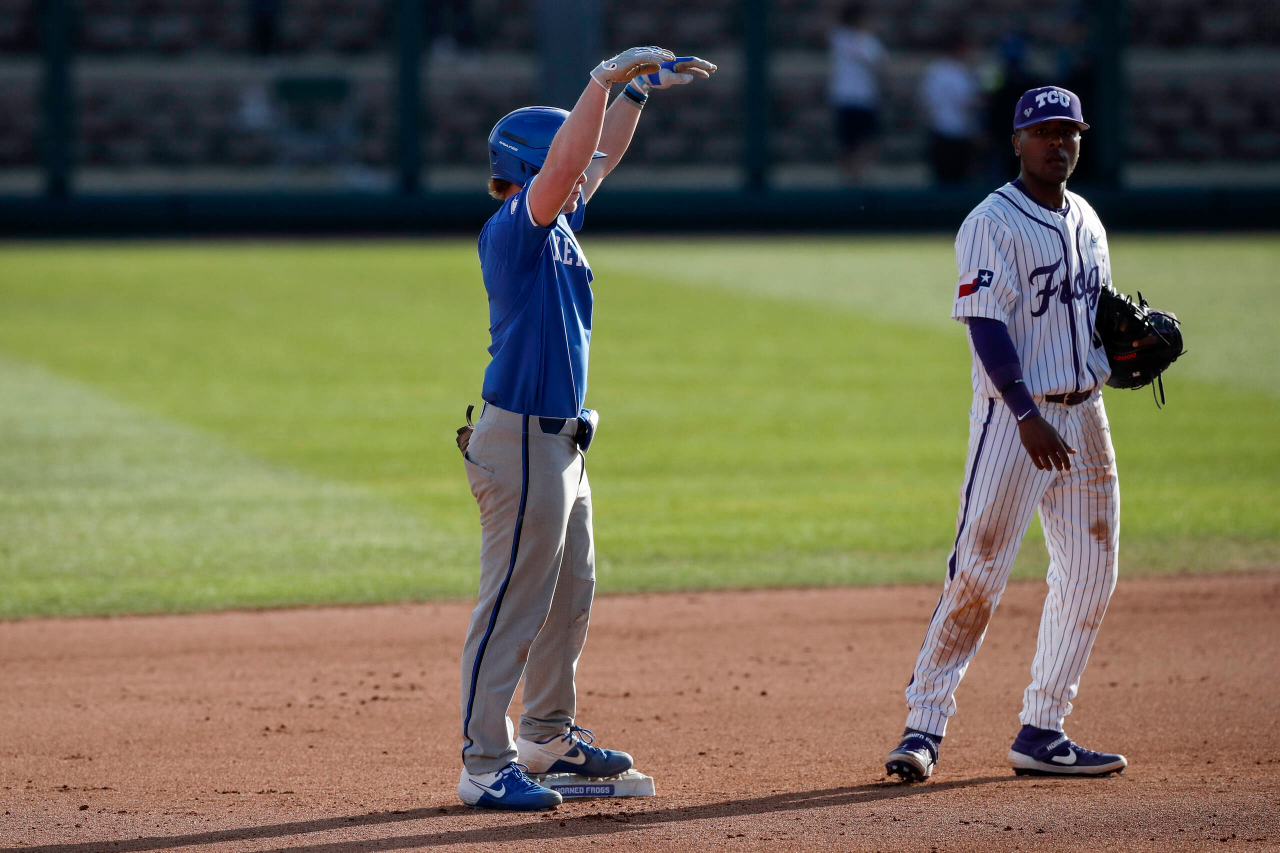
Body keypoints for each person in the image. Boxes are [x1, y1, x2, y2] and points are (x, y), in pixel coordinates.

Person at [455, 47, 717, 811]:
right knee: (513, 605)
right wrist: (602, 79)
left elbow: (593, 160)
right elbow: (573, 161)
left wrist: (634, 95)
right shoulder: (515, 228)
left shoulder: (558, 221)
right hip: (521, 443)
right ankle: (483, 762)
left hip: (563, 444)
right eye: (565, 166)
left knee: (569, 596)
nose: (582, 177)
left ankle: (546, 736)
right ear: (533, 170)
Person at [884, 86, 1128, 782]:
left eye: (1069, 132)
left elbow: (1093, 314)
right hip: (1015, 419)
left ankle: (1043, 727)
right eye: (1044, 132)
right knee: (979, 570)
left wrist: (1120, 360)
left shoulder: (1088, 218)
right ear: (1017, 141)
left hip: (1085, 416)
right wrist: (1025, 413)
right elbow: (985, 320)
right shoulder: (991, 221)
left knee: (1092, 572)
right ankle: (923, 728)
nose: (1058, 143)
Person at [828, 3, 886, 181]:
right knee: (850, 142)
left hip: (863, 97)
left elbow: (880, 64)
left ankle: (856, 175)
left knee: (865, 141)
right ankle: (851, 176)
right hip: (848, 97)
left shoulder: (867, 40)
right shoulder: (841, 38)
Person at [919, 35, 980, 185]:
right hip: (952, 131)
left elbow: (925, 102)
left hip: (944, 130)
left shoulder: (934, 70)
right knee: (953, 179)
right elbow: (967, 102)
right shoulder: (959, 73)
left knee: (946, 179)